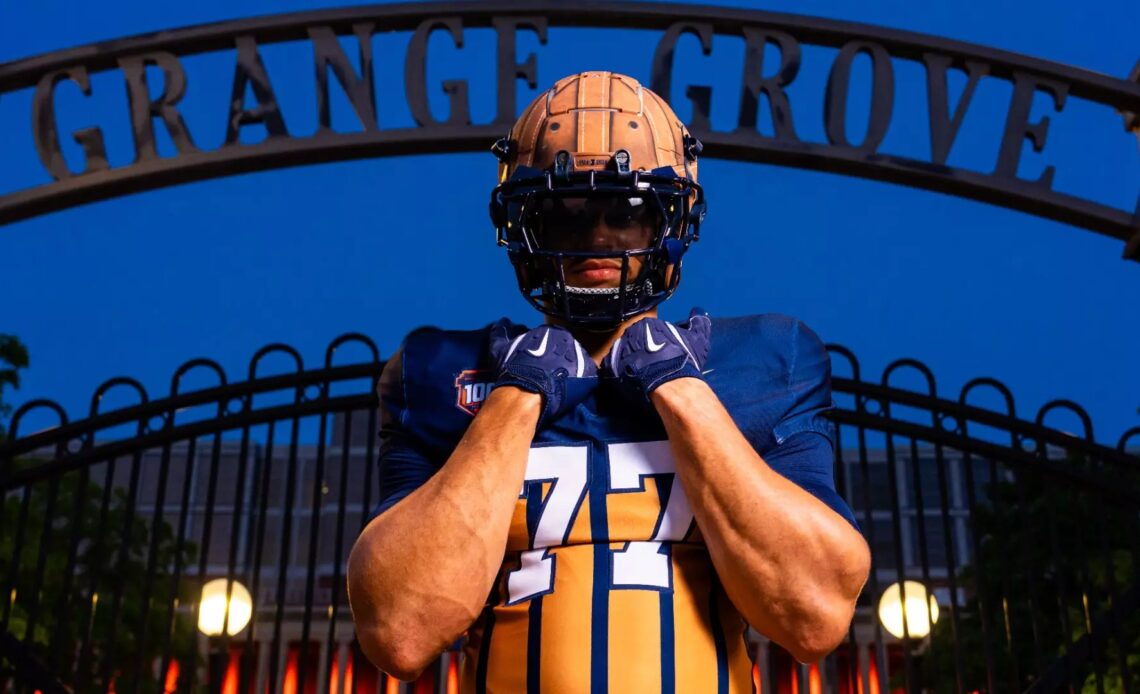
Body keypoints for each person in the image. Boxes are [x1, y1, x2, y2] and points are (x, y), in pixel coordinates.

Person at [347, 71, 871, 692]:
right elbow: (399, 633)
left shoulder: (768, 359)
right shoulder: (439, 371)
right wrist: (518, 394)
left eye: (627, 212)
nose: (597, 237)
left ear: (671, 222)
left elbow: (813, 618)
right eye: (564, 216)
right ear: (522, 226)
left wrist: (679, 388)